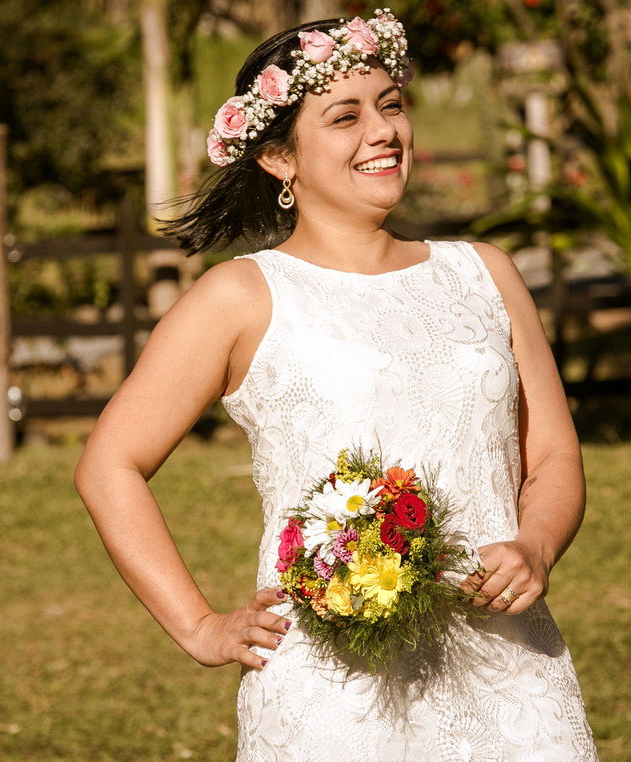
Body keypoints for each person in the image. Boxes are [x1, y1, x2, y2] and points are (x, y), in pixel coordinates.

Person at [75, 10, 597, 759]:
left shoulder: (487, 273)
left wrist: (537, 548)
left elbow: (552, 456)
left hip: (512, 678)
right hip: (333, 699)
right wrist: (198, 626)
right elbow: (107, 466)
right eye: (344, 116)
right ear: (279, 158)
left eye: (390, 105)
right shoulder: (242, 297)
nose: (382, 131)